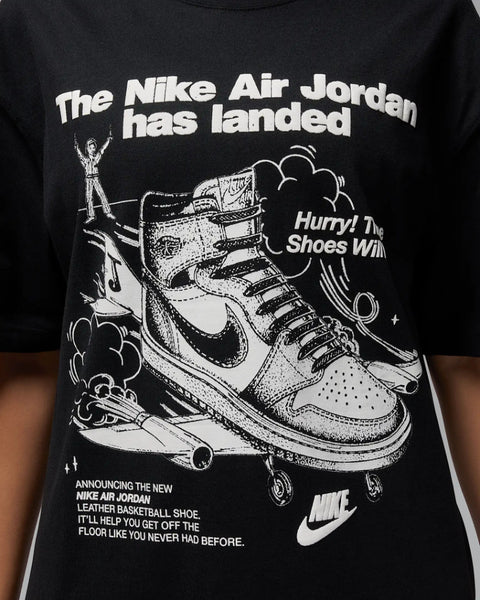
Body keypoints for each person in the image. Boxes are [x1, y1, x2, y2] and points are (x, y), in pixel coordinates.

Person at [0, 0, 479, 599]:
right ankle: (183, 326)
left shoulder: (427, 21)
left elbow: (467, 359)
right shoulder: (41, 23)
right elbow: (20, 365)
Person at [74, 128, 116, 224]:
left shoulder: (97, 157)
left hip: (96, 178)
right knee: (89, 197)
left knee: (102, 194)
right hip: (89, 179)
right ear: (87, 149)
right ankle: (91, 215)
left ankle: (108, 212)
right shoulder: (85, 160)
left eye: (93, 148)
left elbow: (102, 149)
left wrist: (108, 141)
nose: (92, 150)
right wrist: (77, 148)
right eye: (90, 148)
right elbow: (80, 155)